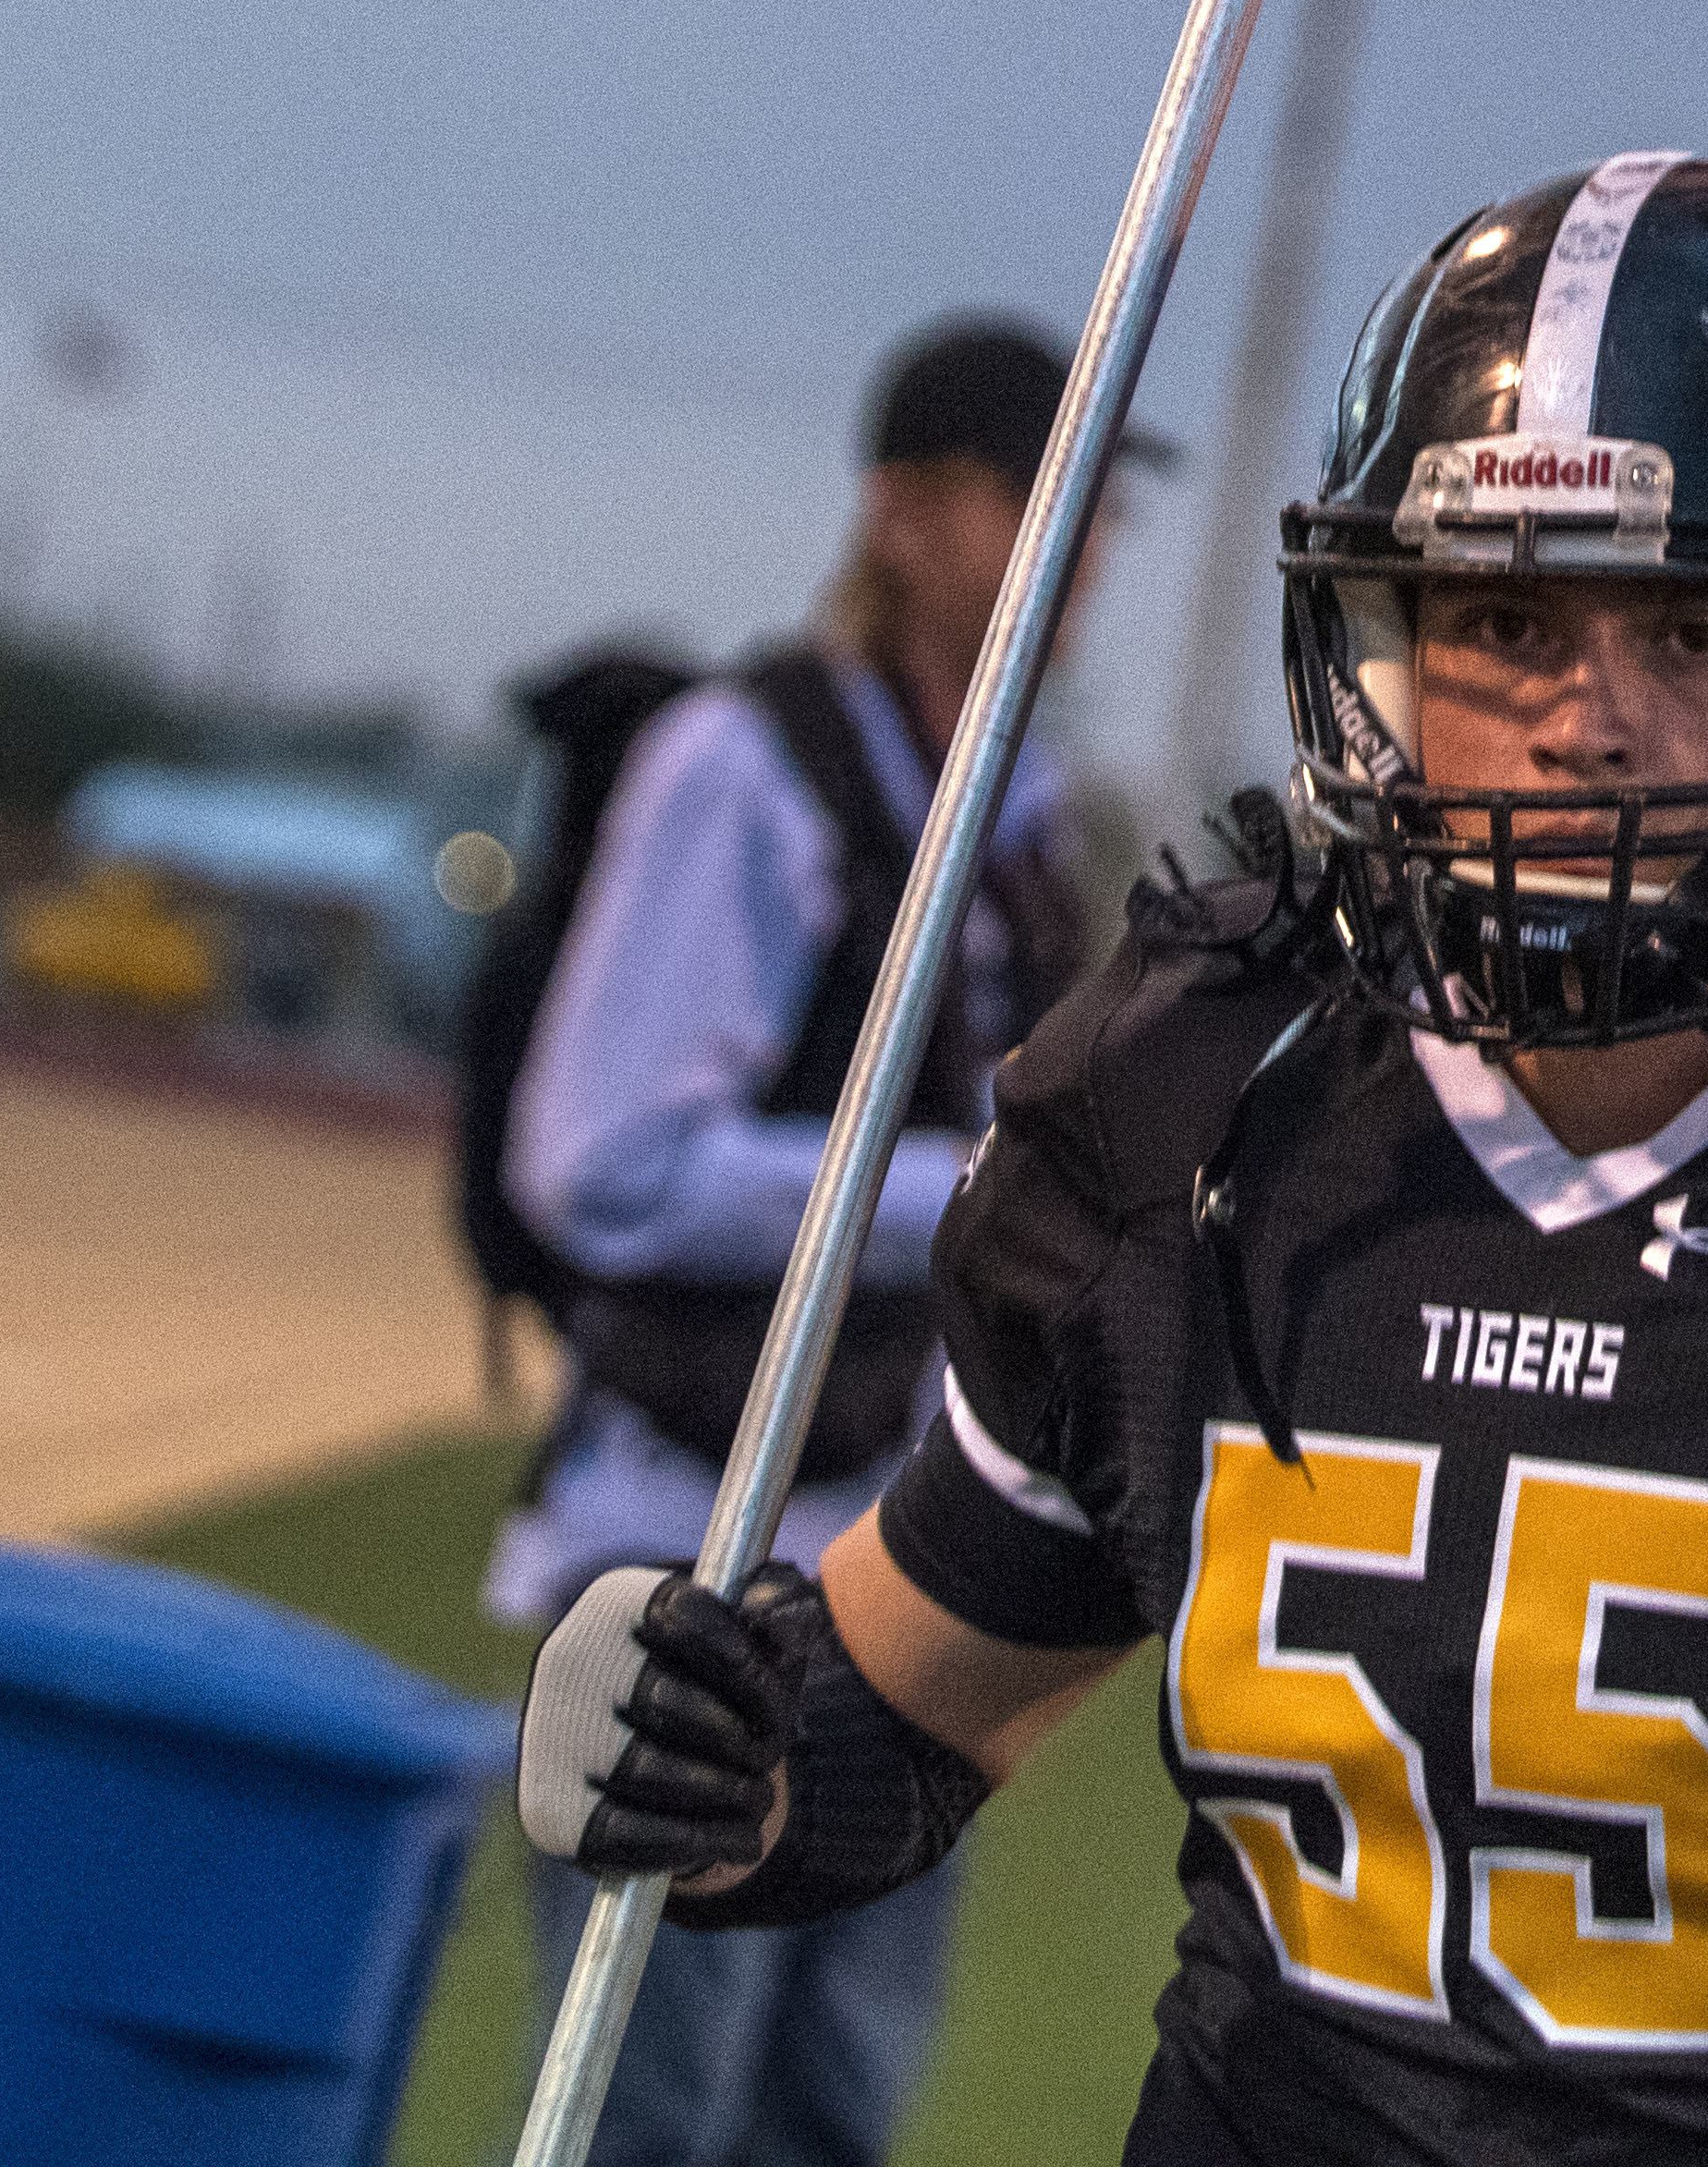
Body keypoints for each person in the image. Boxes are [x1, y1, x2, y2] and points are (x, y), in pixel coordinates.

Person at [517, 155, 1708, 2167]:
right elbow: (910, 1708)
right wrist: (720, 1754)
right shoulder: (1215, 1105)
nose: (1579, 720)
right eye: (1501, 616)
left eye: (1698, 624)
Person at [482, 314, 1138, 2167]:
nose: (1080, 543)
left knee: (825, 2118)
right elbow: (597, 1160)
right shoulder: (741, 764)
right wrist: (979, 1188)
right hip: (683, 1548)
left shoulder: (1014, 811)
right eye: (1036, 492)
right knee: (640, 2116)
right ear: (903, 513)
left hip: (899, 1579)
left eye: (1095, 506)